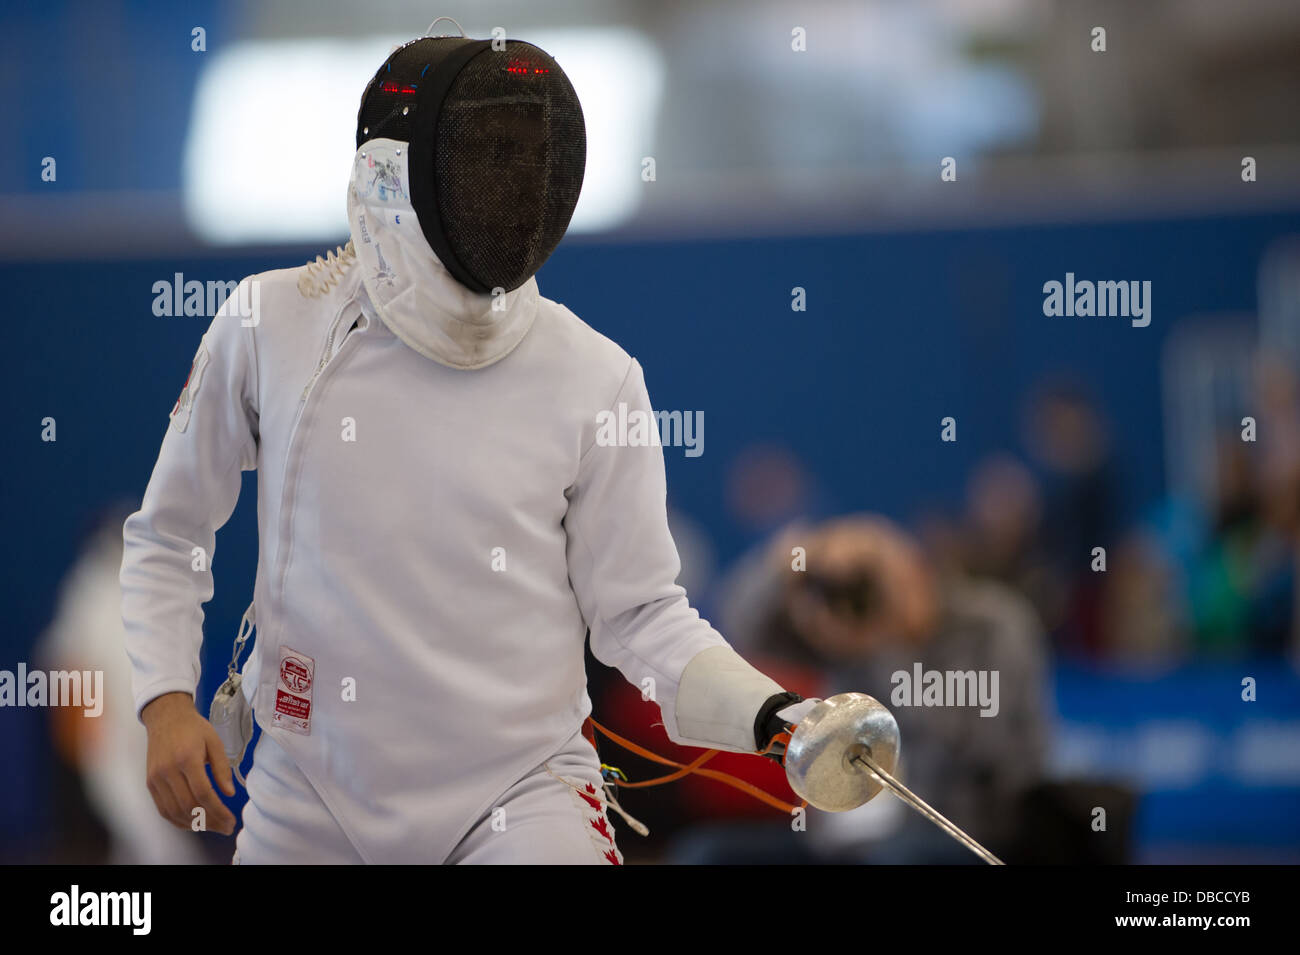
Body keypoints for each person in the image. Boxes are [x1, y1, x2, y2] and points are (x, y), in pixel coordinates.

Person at [120, 29, 812, 865]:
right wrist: (163, 700)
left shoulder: (595, 376)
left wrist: (773, 716)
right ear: (396, 173)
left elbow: (640, 614)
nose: (516, 185)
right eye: (488, 154)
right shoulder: (270, 324)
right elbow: (169, 533)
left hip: (518, 797)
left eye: (530, 155)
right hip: (309, 794)